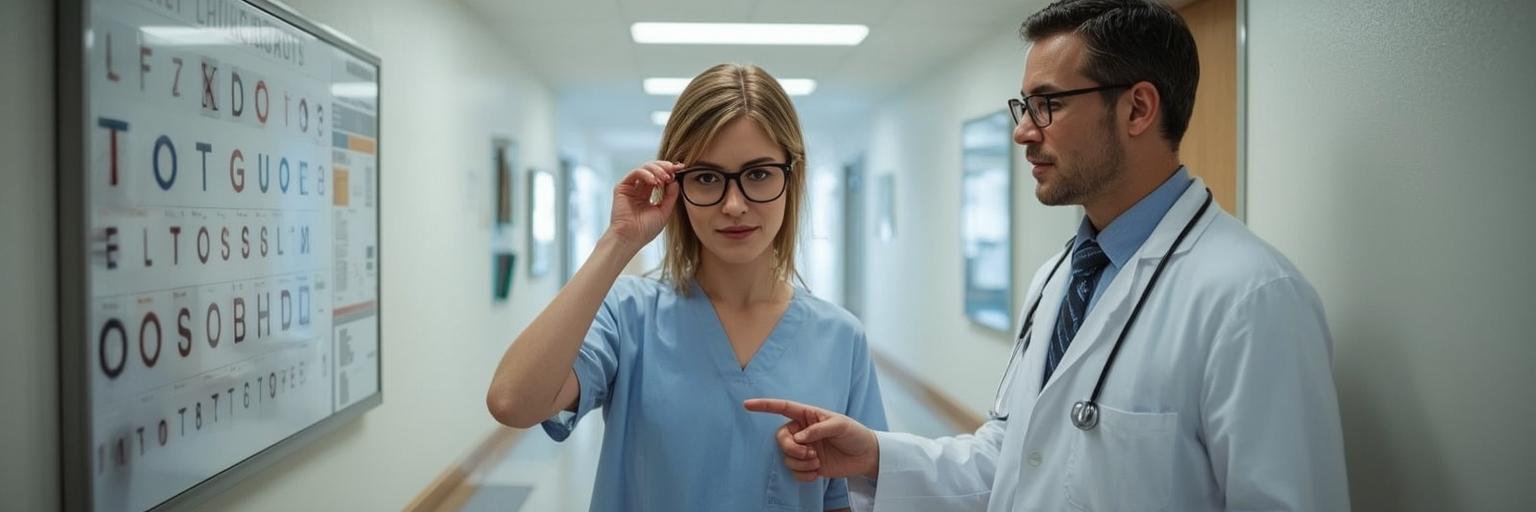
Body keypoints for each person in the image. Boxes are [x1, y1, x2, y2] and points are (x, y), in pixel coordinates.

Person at [745, 1, 1349, 510]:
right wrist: (877, 454)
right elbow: (1013, 457)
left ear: (1138, 108)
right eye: (1023, 106)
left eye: (1048, 104)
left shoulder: (1251, 299)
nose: (1023, 131)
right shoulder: (1062, 277)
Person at [486, 63, 886, 512]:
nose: (734, 205)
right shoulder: (628, 315)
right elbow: (512, 402)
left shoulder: (840, 339)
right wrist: (618, 242)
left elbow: (851, 499)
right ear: (674, 184)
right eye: (707, 177)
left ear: (792, 177)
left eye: (757, 174)